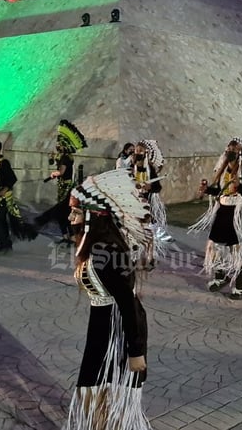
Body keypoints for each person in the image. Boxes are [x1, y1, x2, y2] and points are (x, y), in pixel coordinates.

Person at [64, 168, 152, 430]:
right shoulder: (96, 245)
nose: (70, 217)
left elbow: (128, 303)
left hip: (116, 330)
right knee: (95, 384)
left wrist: (135, 351)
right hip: (101, 325)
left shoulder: (106, 250)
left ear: (92, 216)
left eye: (76, 212)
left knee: (103, 384)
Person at [188, 138, 242, 300]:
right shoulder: (222, 170)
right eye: (229, 148)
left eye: (234, 149)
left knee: (236, 249)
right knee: (215, 246)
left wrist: (239, 186)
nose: (230, 151)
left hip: (236, 213)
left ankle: (241, 285)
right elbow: (219, 192)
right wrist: (207, 190)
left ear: (240, 153)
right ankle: (220, 277)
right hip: (222, 210)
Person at [35, 120, 87, 243]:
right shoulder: (64, 156)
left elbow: (61, 172)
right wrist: (51, 158)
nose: (57, 146)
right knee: (63, 213)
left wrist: (54, 174)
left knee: (64, 213)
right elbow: (53, 162)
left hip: (66, 188)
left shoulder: (65, 158)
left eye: (59, 144)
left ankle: (71, 236)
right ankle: (67, 236)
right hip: (64, 186)